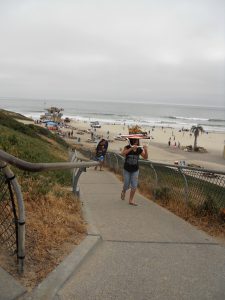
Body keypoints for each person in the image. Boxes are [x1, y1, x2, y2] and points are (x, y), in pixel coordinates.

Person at [121, 138, 148, 206]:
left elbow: (145, 157)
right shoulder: (127, 147)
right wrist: (131, 149)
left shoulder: (139, 149)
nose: (136, 142)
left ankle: (131, 200)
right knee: (126, 184)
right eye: (134, 141)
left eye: (137, 141)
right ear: (131, 141)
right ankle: (124, 191)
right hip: (127, 169)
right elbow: (123, 153)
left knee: (134, 185)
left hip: (135, 170)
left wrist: (146, 150)